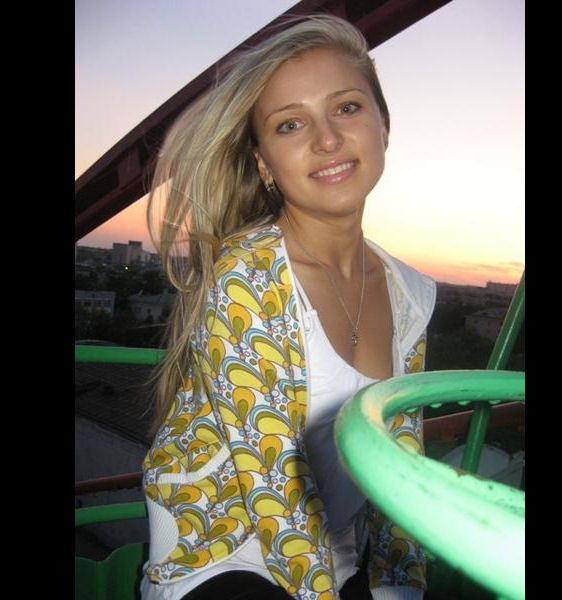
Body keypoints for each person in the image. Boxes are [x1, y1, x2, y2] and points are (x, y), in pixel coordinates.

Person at [140, 14, 436, 600]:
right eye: (291, 124)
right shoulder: (246, 280)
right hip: (220, 556)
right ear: (262, 162)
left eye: (346, 107)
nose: (327, 140)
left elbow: (402, 461)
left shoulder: (410, 293)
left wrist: (402, 590)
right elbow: (277, 498)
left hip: (337, 554)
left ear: (383, 126)